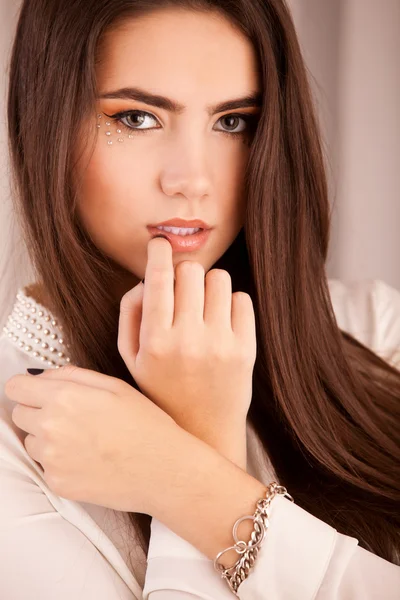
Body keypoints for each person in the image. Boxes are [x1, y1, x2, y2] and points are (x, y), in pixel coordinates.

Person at [1, 0, 399, 598]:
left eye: (233, 121)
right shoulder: (14, 434)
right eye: (136, 118)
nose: (193, 178)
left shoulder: (377, 329)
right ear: (44, 127)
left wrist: (183, 471)